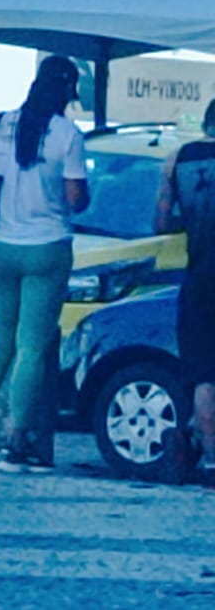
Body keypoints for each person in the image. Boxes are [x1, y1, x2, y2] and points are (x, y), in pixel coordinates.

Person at [0, 55, 89, 475]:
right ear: (67, 90)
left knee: (1, 342)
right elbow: (75, 200)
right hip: (47, 247)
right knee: (31, 347)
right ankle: (15, 444)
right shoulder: (67, 135)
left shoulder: (1, 125)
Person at [154, 97, 215, 484]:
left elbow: (160, 222)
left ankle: (205, 451)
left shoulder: (177, 160)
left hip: (199, 278)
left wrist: (192, 220)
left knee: (203, 373)